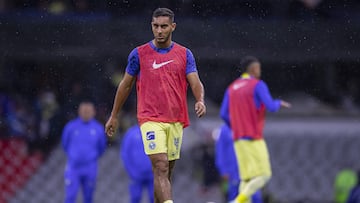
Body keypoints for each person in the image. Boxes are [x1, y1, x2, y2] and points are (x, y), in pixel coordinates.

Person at [105, 8, 206, 203]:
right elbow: (125, 85)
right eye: (156, 26)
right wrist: (114, 115)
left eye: (164, 26)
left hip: (176, 119)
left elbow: (195, 82)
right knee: (160, 166)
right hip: (150, 118)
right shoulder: (139, 54)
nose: (159, 31)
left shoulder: (185, 54)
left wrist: (200, 99)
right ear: (151, 26)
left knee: (166, 173)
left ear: (173, 27)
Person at [220, 56, 291, 203]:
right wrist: (279, 103)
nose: (260, 71)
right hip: (253, 138)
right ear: (252, 69)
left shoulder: (232, 87)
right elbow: (270, 106)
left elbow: (223, 113)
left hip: (238, 139)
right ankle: (237, 201)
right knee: (263, 175)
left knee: (246, 179)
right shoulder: (257, 85)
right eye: (258, 68)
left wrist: (236, 126)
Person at [62, 101, 107, 203]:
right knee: (70, 196)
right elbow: (65, 144)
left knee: (88, 197)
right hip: (74, 167)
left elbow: (102, 147)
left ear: (93, 112)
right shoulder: (71, 127)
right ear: (79, 112)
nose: (86, 113)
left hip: (90, 167)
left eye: (88, 111)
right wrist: (74, 156)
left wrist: (91, 157)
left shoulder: (98, 129)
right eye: (84, 111)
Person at [215, 124, 263, 203]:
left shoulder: (249, 126)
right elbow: (221, 151)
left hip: (250, 172)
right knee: (235, 197)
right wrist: (223, 170)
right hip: (233, 173)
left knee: (255, 196)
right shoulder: (225, 130)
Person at [121, 124, 154, 203]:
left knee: (154, 197)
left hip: (153, 174)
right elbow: (125, 154)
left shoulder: (155, 133)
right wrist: (131, 171)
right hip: (136, 174)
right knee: (135, 197)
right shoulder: (131, 134)